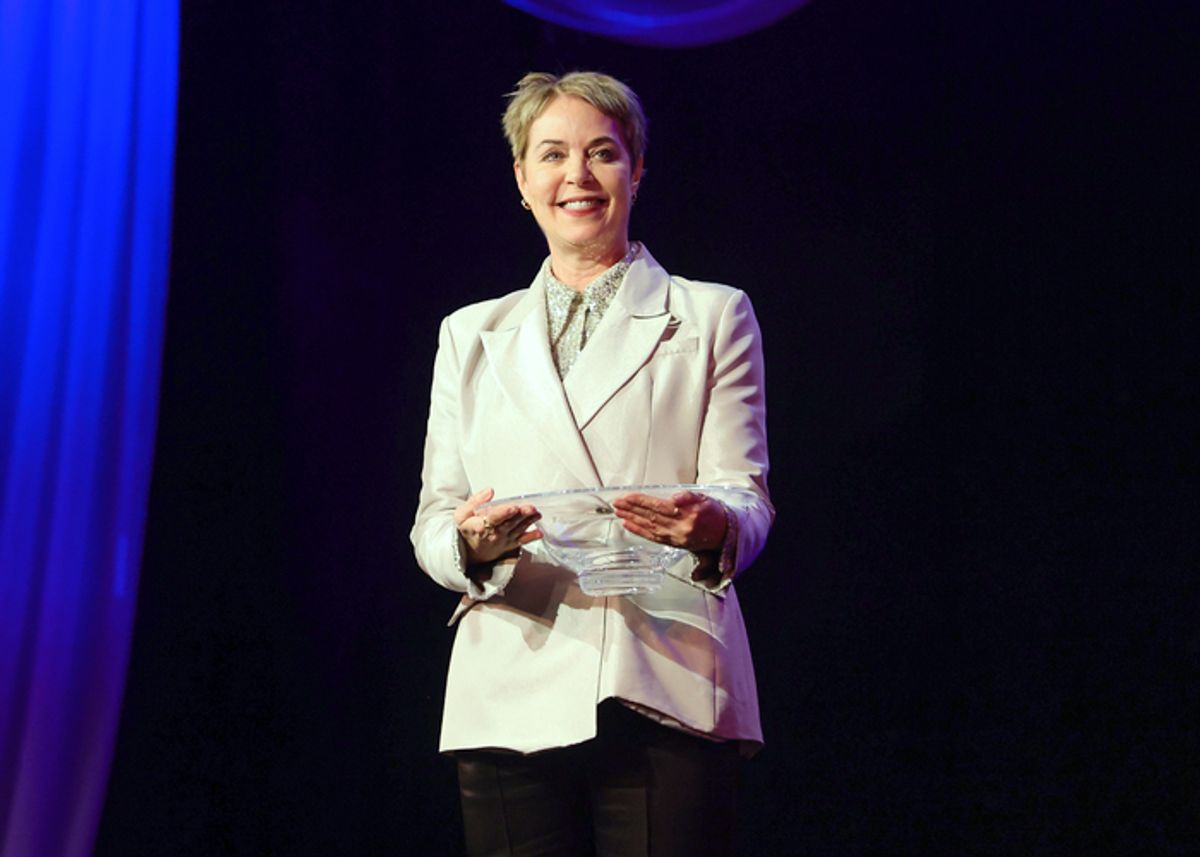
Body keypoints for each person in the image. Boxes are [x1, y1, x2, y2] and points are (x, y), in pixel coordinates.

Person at [411, 70, 773, 857]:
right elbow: (435, 521)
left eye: (602, 153)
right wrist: (471, 545)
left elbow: (747, 497)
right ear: (521, 178)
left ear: (636, 170)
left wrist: (709, 522)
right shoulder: (470, 333)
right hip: (510, 674)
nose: (576, 175)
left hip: (663, 668)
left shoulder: (711, 314)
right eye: (552, 155)